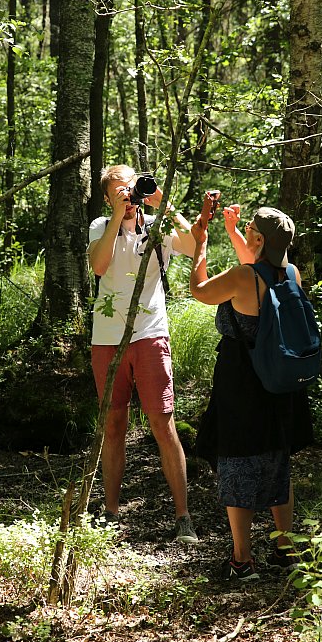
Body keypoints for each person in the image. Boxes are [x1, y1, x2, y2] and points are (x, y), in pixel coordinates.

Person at [190, 202, 314, 580]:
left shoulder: (242, 278)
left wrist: (201, 243)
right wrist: (233, 231)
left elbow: (199, 291)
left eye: (249, 230)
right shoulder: (289, 273)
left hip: (241, 382)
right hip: (278, 381)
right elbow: (259, 262)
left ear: (258, 238)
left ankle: (242, 560)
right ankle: (285, 549)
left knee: (238, 460)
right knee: (277, 459)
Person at [88, 164, 199, 544]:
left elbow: (194, 247)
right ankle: (111, 512)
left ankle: (183, 517)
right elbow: (99, 266)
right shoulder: (101, 227)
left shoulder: (158, 225)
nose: (128, 195)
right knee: (114, 425)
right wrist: (119, 216)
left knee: (162, 425)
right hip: (107, 338)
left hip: (151, 334)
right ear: (106, 197)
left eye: (131, 188)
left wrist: (165, 206)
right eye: (118, 191)